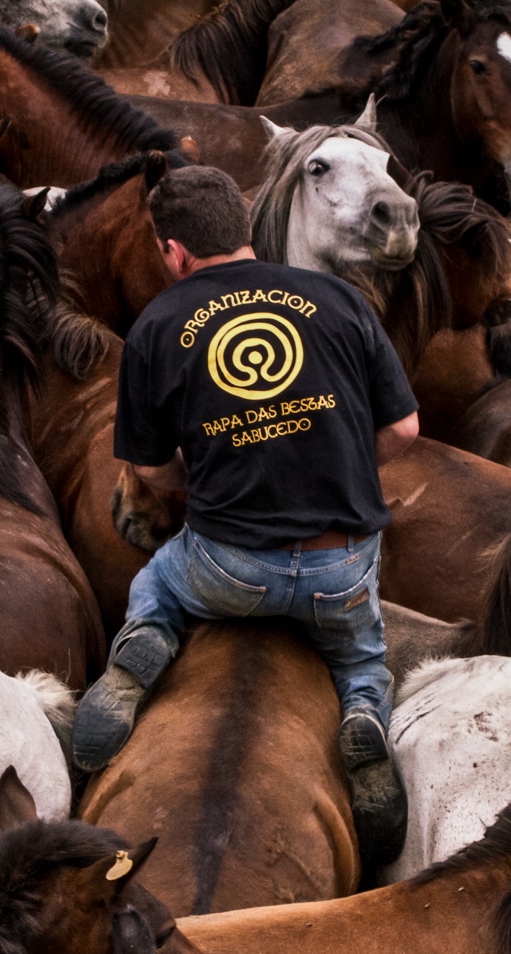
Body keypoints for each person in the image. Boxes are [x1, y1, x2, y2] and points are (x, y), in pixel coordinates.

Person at [71, 165, 420, 867]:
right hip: (339, 564)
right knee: (361, 654)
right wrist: (341, 455)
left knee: (158, 582)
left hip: (227, 566)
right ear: (249, 231)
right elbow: (406, 431)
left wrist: (203, 466)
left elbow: (151, 471)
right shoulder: (340, 300)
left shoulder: (156, 327)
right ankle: (361, 711)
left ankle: (141, 652)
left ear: (174, 253)